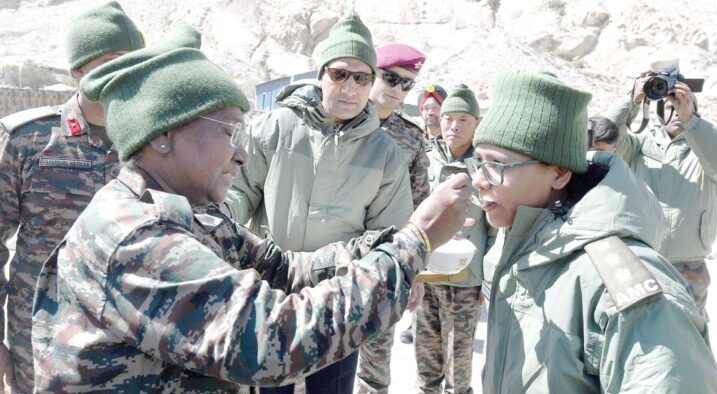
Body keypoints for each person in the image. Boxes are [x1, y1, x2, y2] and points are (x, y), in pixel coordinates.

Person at [31, 25, 472, 393]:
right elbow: (272, 340)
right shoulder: (138, 237)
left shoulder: (191, 212)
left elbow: (283, 268)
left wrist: (387, 242)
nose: (241, 156)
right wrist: (415, 242)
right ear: (163, 137)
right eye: (228, 132)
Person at [469, 72, 717, 392]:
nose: (479, 179)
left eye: (496, 164)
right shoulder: (520, 249)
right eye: (477, 162)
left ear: (559, 172)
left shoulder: (621, 285)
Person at [226, 10, 413, 394]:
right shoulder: (275, 127)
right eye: (339, 74)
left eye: (362, 78)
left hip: (341, 299)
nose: (349, 88)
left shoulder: (385, 154)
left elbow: (389, 233)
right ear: (321, 75)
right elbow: (238, 193)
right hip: (274, 291)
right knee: (270, 386)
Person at [0, 2, 144, 392]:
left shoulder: (155, 143)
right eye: (107, 62)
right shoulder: (28, 140)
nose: (120, 73)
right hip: (42, 339)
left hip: (132, 343)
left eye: (129, 62)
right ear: (78, 71)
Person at [604, 69, 717, 319]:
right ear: (658, 113)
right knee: (637, 328)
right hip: (641, 258)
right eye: (668, 106)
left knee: (689, 332)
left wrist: (690, 118)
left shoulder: (708, 150)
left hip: (688, 266)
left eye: (680, 104)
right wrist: (632, 99)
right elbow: (603, 136)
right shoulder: (638, 146)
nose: (675, 111)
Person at [356, 43, 431, 394]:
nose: (398, 89)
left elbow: (420, 208)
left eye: (407, 84)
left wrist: (415, 272)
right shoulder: (342, 123)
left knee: (375, 365)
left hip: (384, 261)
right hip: (330, 256)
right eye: (391, 78)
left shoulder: (412, 138)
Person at [416, 84, 494, 394]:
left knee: (457, 367)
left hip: (465, 280)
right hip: (427, 273)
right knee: (425, 360)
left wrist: (487, 281)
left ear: (476, 124)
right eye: (449, 118)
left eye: (463, 119)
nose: (453, 126)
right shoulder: (426, 157)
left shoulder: (487, 165)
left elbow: (496, 228)